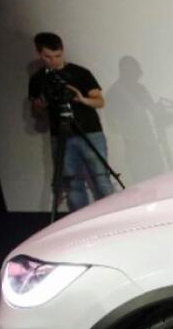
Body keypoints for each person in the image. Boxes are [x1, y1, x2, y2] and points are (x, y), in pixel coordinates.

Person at [27, 32, 116, 211]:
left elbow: (100, 101)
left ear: (63, 51)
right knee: (72, 184)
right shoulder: (37, 79)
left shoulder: (80, 73)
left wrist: (81, 99)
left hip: (90, 132)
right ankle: (81, 225)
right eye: (48, 57)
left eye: (58, 55)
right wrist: (40, 106)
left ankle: (114, 218)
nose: (53, 60)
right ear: (39, 53)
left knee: (101, 178)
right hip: (61, 135)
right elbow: (36, 112)